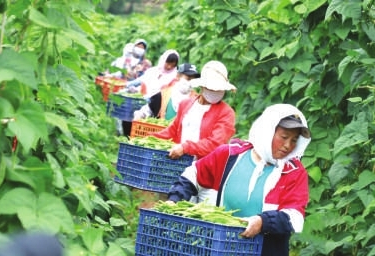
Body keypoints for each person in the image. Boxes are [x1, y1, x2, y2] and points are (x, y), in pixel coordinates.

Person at [166, 103, 312, 256]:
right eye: (284, 137)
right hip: (220, 247)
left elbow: (294, 217)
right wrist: (174, 199)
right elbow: (193, 175)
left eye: (294, 140)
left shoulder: (294, 172)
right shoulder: (230, 156)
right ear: (267, 131)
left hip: (266, 250)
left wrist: (263, 222)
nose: (288, 145)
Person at [150, 60, 236, 160]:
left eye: (219, 89)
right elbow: (172, 131)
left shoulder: (226, 113)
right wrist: (150, 138)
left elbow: (215, 143)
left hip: (204, 167)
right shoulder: (186, 104)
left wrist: (185, 147)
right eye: (212, 88)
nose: (215, 91)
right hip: (179, 162)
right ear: (202, 86)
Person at [121, 49, 179, 137]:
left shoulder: (174, 76)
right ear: (163, 60)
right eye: (168, 63)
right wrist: (129, 85)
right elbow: (141, 81)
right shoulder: (153, 71)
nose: (169, 67)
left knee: (149, 129)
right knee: (133, 121)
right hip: (143, 101)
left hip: (158, 106)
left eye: (173, 65)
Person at [133, 63, 200, 121]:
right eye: (188, 78)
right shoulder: (163, 95)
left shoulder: (197, 99)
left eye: (193, 79)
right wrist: (138, 115)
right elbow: (146, 111)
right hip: (161, 134)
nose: (190, 82)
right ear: (178, 76)